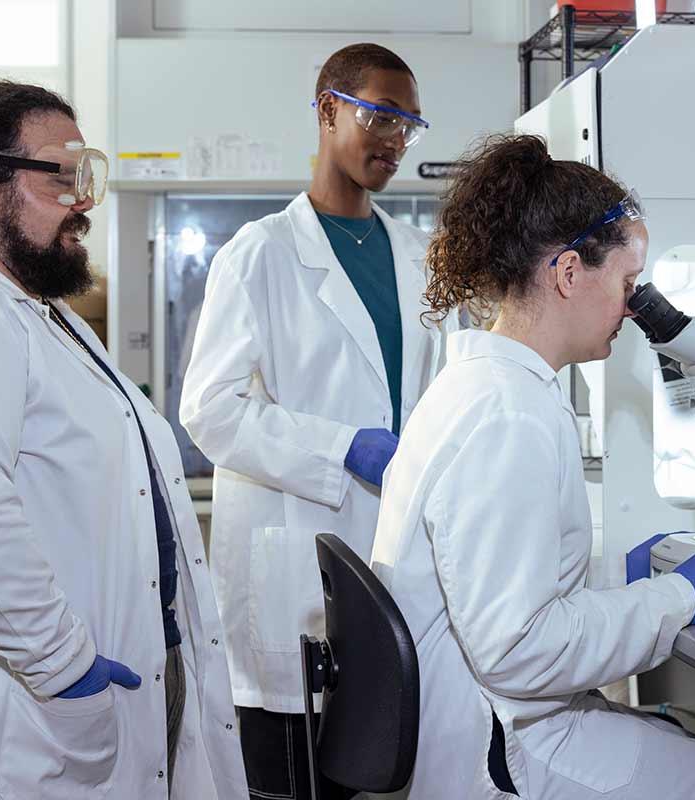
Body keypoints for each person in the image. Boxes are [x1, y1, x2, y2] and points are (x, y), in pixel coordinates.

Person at [370, 134, 695, 800]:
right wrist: (682, 597)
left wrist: (615, 582)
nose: (634, 309)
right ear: (570, 273)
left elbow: (491, 582)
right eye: (628, 284)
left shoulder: (485, 384)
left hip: (502, 720)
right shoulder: (508, 415)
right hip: (508, 748)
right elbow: (518, 651)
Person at [0, 81, 246, 799]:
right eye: (63, 177)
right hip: (11, 723)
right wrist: (65, 671)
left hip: (99, 686)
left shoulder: (38, 314)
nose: (86, 200)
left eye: (86, 176)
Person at [180, 43, 452, 799]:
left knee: (383, 767)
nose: (395, 139)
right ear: (328, 110)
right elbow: (209, 408)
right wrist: (342, 448)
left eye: (410, 125)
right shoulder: (259, 255)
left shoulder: (417, 258)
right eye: (380, 115)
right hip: (293, 562)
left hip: (392, 559)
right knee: (296, 779)